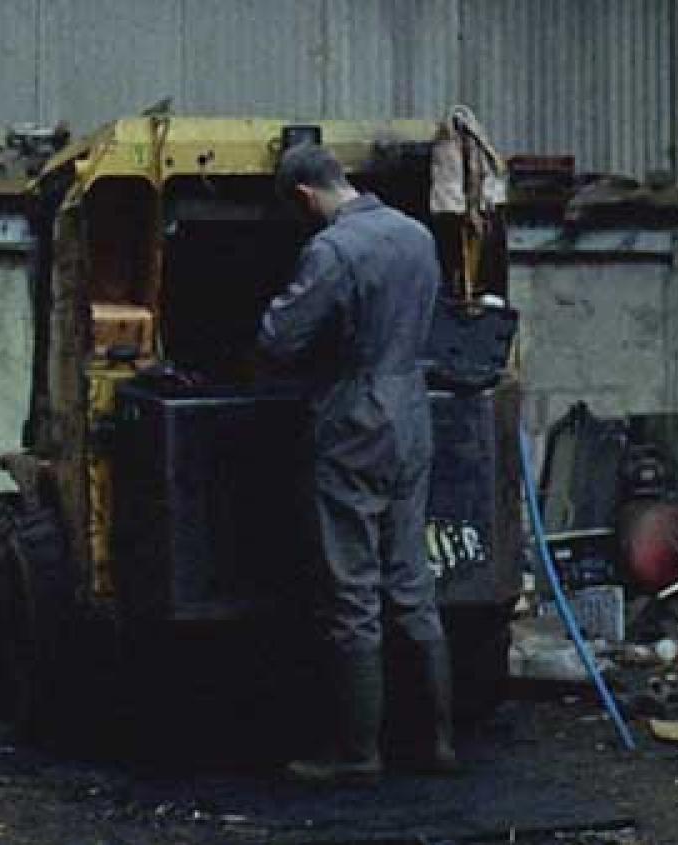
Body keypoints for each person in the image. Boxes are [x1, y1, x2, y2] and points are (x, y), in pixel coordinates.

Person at [258, 143, 455, 785]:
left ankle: (357, 754)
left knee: (353, 588)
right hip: (411, 409)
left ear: (304, 196)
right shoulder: (416, 235)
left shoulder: (332, 250)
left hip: (357, 416)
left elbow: (280, 338)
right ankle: (436, 744)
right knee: (412, 581)